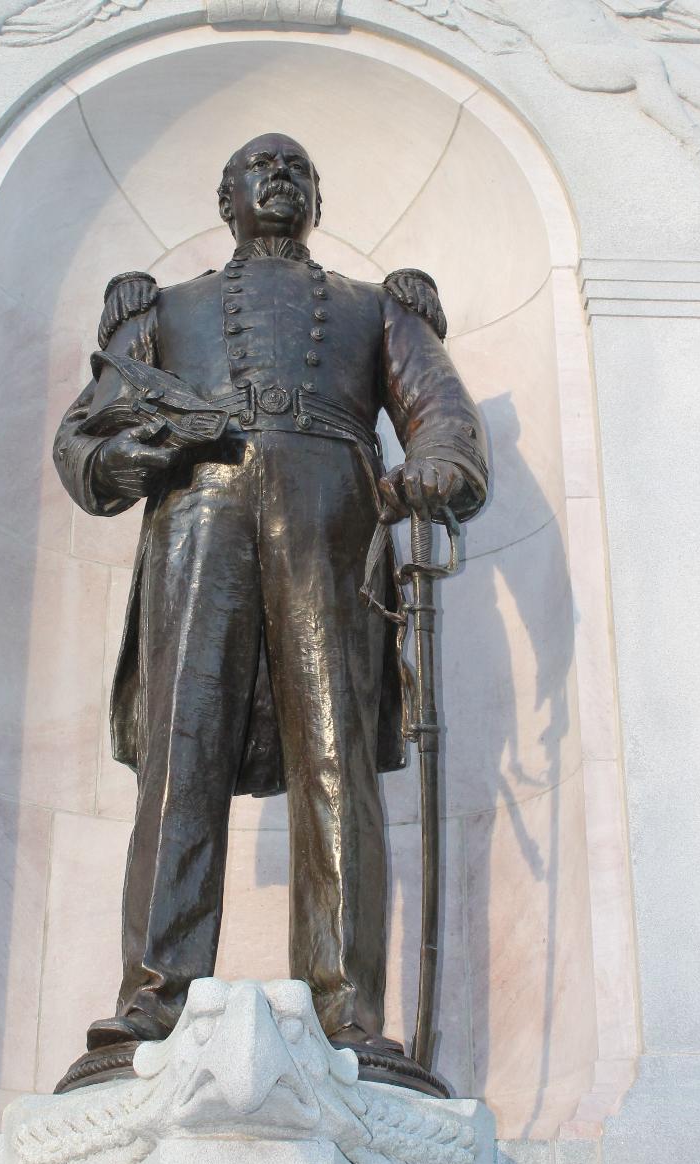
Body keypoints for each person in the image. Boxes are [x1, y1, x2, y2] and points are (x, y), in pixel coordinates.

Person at [53, 133, 488, 1058]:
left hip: (334, 516)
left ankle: (347, 1012)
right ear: (228, 199)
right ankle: (153, 999)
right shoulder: (161, 309)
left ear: (318, 199)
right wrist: (131, 454)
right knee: (183, 752)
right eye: (261, 166)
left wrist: (440, 467)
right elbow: (85, 445)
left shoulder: (378, 309)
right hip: (198, 516)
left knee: (338, 762)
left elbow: (444, 418)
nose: (281, 175)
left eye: (298, 167)